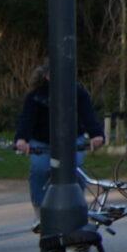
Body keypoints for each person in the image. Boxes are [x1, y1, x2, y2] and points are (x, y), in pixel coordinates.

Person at [14, 65, 105, 208]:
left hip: (72, 140)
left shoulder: (77, 92)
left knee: (77, 169)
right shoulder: (36, 96)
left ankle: (76, 205)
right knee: (40, 169)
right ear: (47, 76)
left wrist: (96, 134)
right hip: (42, 141)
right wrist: (22, 139)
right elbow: (27, 118)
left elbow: (88, 115)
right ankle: (40, 208)